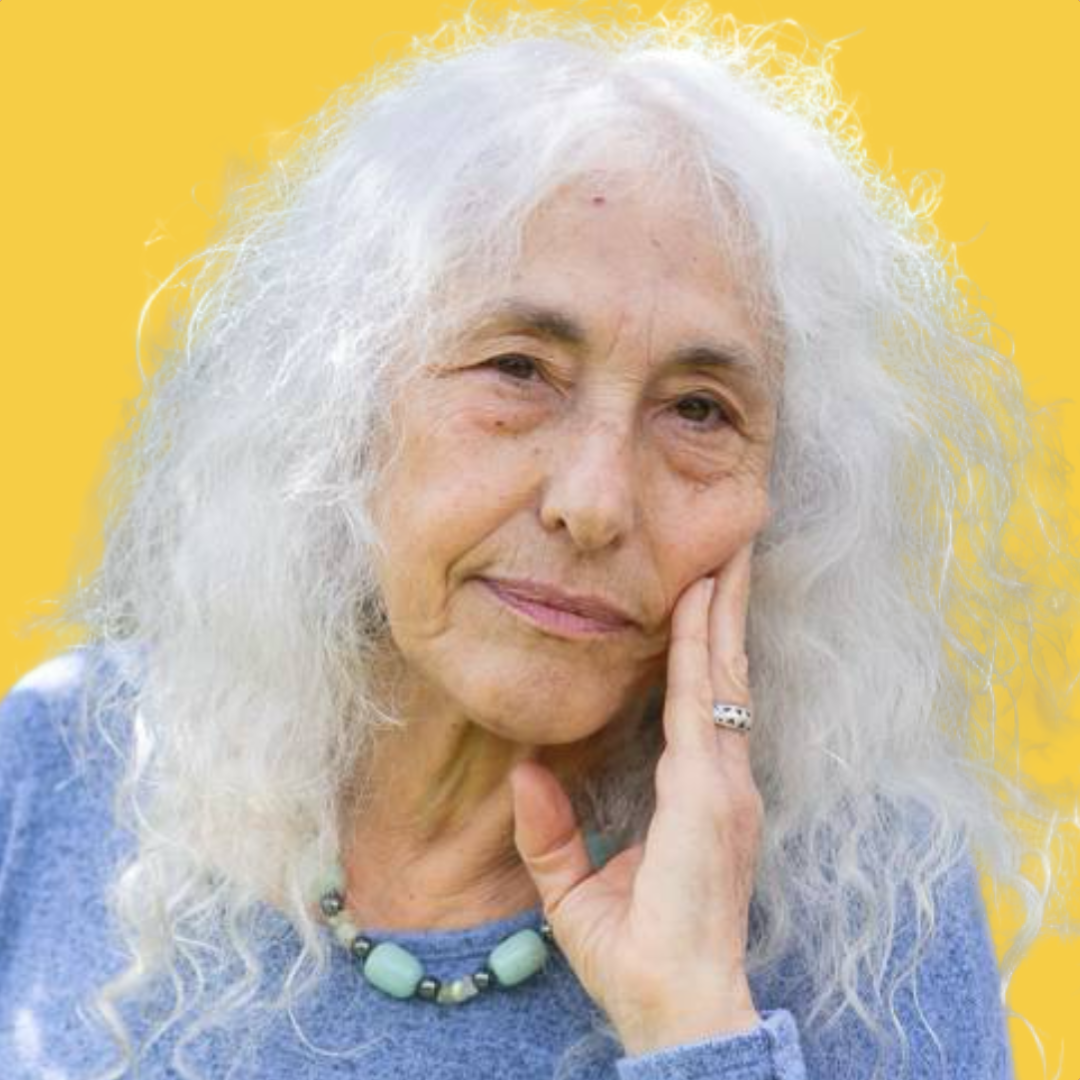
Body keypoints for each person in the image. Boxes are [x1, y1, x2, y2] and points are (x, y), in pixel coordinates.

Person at [1, 4, 1075, 1078]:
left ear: (786, 495)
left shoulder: (869, 906)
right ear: (342, 409)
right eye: (517, 370)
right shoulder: (72, 759)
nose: (596, 501)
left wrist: (696, 1018)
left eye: (700, 411)